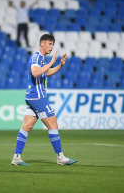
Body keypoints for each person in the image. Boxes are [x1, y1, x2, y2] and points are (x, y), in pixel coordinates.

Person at [11, 34, 77, 166]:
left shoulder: (41, 59)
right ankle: (60, 157)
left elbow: (45, 73)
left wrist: (59, 66)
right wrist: (51, 63)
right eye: (49, 44)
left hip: (32, 96)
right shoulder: (37, 57)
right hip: (37, 97)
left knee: (26, 126)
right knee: (53, 124)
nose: (51, 47)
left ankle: (16, 158)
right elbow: (35, 72)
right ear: (42, 43)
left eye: (53, 44)